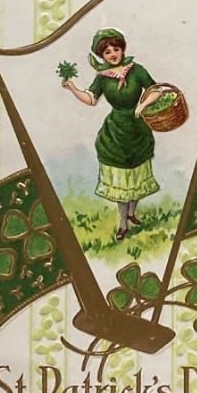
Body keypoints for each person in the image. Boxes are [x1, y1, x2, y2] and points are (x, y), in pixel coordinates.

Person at [61, 27, 167, 239]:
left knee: (137, 175)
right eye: (107, 51)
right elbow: (91, 99)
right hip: (115, 133)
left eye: (116, 49)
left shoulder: (136, 70)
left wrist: (142, 106)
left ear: (122, 49)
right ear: (102, 55)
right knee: (121, 181)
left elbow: (156, 90)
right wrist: (73, 88)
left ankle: (132, 213)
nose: (112, 54)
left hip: (138, 129)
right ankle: (122, 224)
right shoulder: (102, 78)